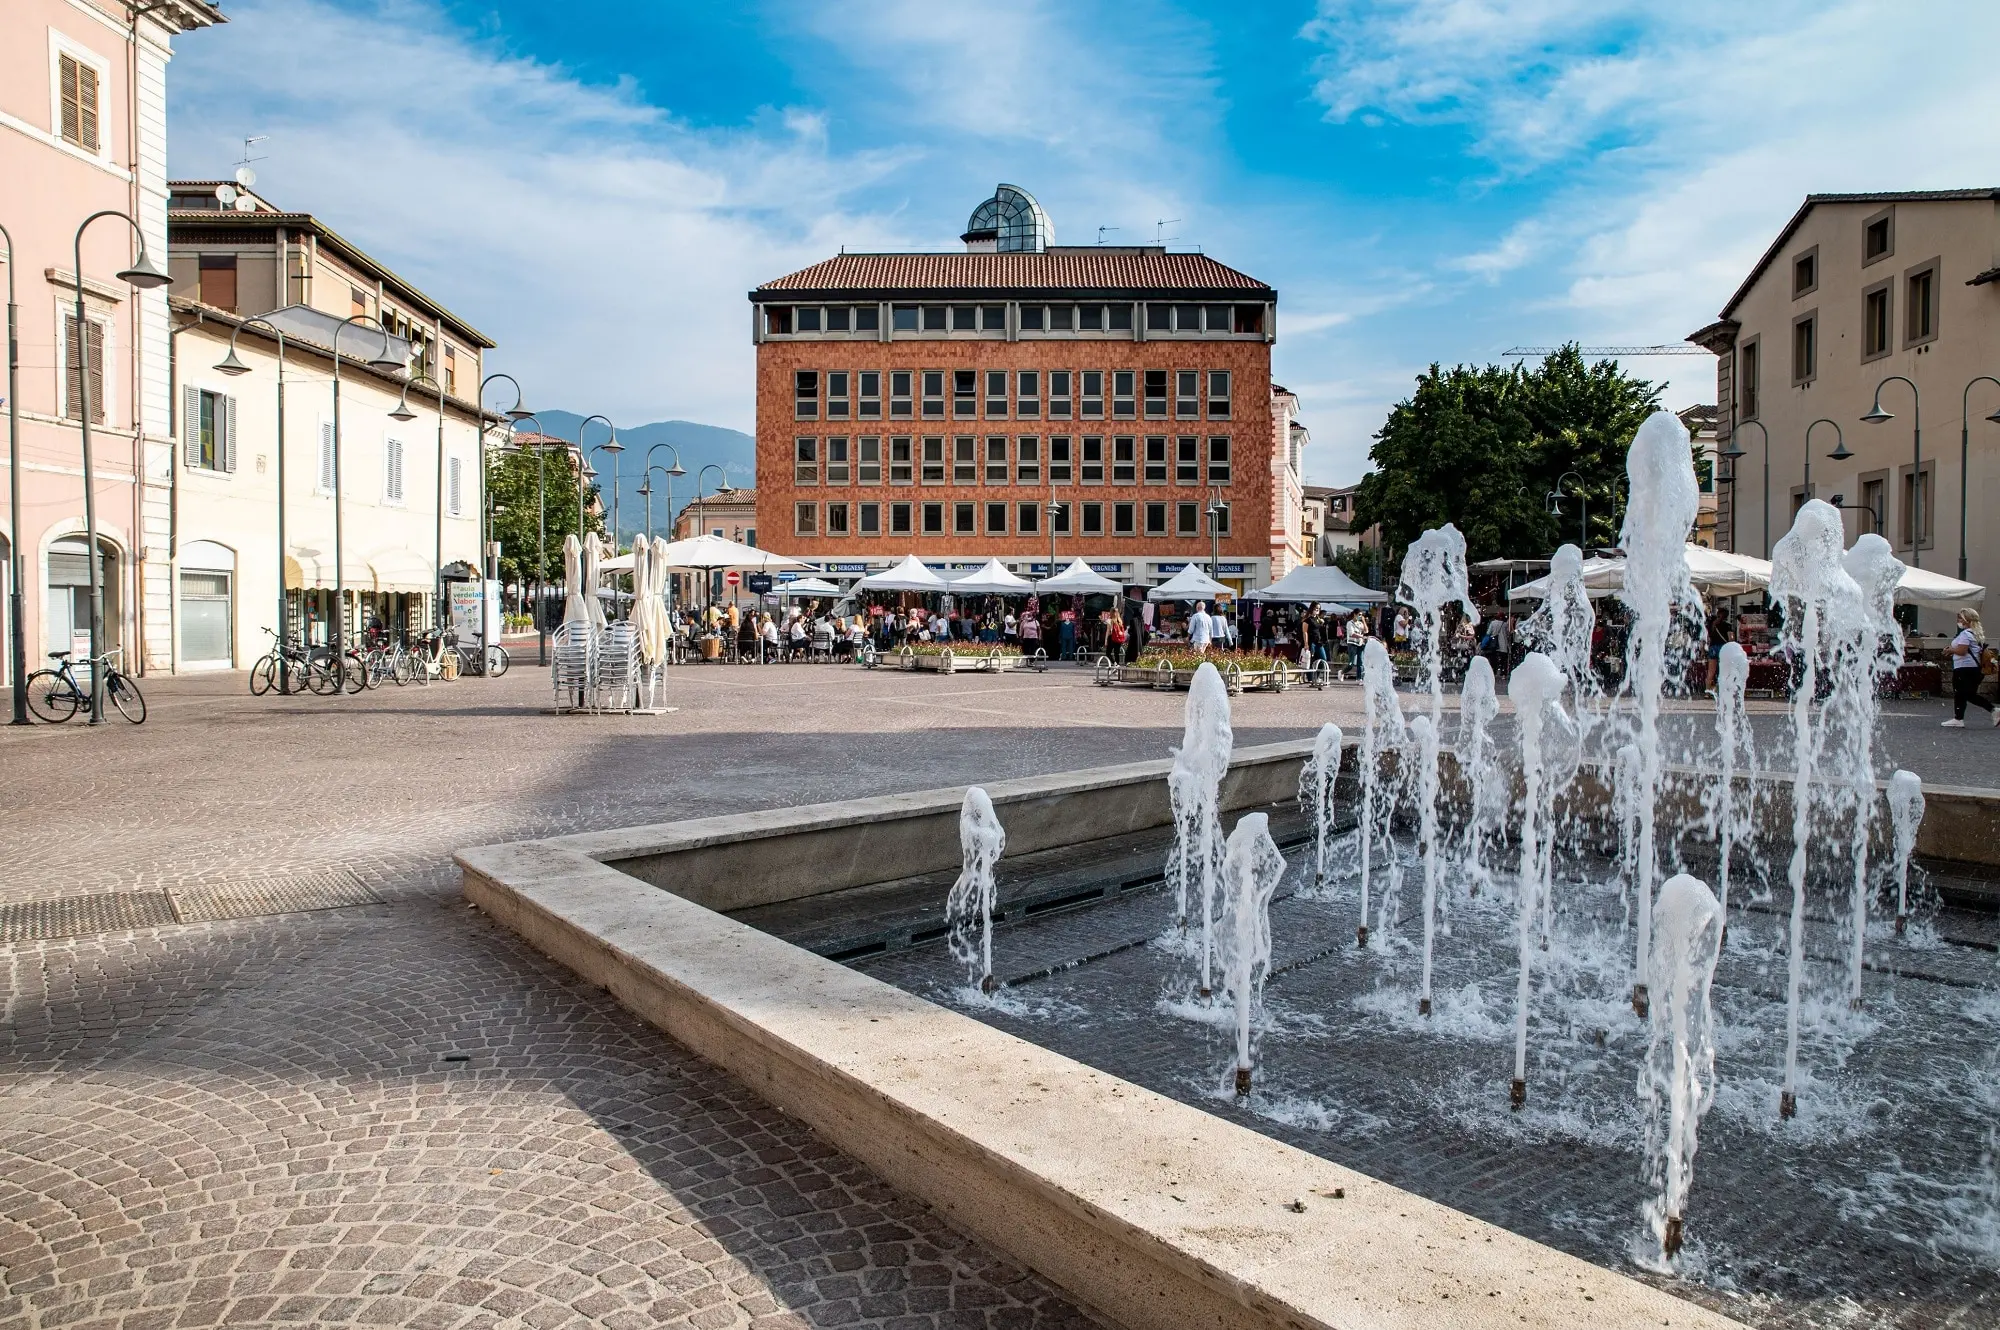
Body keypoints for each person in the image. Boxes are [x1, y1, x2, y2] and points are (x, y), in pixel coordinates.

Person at [1944, 608, 1996, 727]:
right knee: (1962, 694)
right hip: (1974, 669)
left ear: (1967, 620)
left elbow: (1962, 651)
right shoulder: (1976, 634)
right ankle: (1958, 718)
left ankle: (1994, 710)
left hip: (1964, 669)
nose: (1958, 620)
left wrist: (1950, 650)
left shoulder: (1966, 634)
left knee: (1966, 694)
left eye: (1960, 618)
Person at [1345, 610, 1368, 679]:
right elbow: (1352, 634)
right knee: (1351, 663)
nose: (1360, 616)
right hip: (1352, 643)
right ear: (1355, 614)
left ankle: (1359, 678)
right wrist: (1362, 636)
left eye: (1361, 615)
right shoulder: (1350, 623)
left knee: (1360, 662)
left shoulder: (1360, 623)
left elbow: (1366, 631)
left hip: (1360, 644)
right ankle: (1342, 672)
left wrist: (1364, 621)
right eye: (1359, 614)